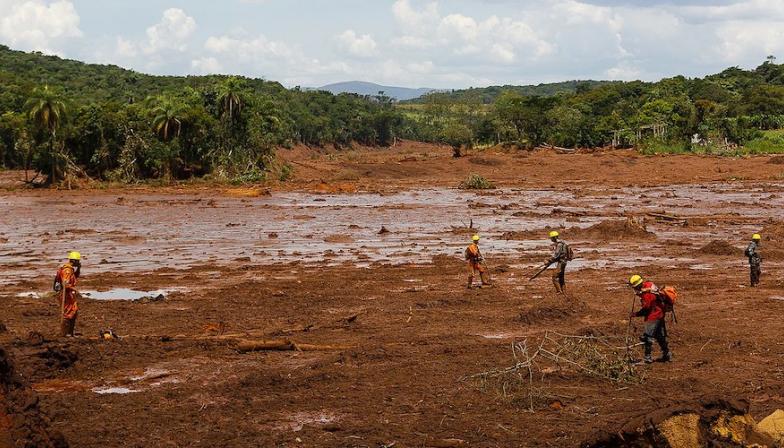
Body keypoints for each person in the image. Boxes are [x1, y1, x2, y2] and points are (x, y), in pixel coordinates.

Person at [629, 275, 671, 364]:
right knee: (660, 336)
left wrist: (636, 314)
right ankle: (667, 354)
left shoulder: (647, 294)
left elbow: (647, 308)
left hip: (653, 316)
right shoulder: (649, 285)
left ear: (638, 285)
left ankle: (647, 358)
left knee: (647, 337)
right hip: (660, 314)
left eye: (635, 287)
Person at [54, 252, 81, 337]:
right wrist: (74, 289)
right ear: (73, 260)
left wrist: (79, 268)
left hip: (69, 294)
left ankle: (70, 333)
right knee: (69, 313)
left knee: (73, 311)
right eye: (77, 261)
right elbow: (65, 284)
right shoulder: (67, 270)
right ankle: (65, 333)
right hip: (66, 294)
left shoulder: (70, 269)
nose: (78, 262)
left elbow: (75, 277)